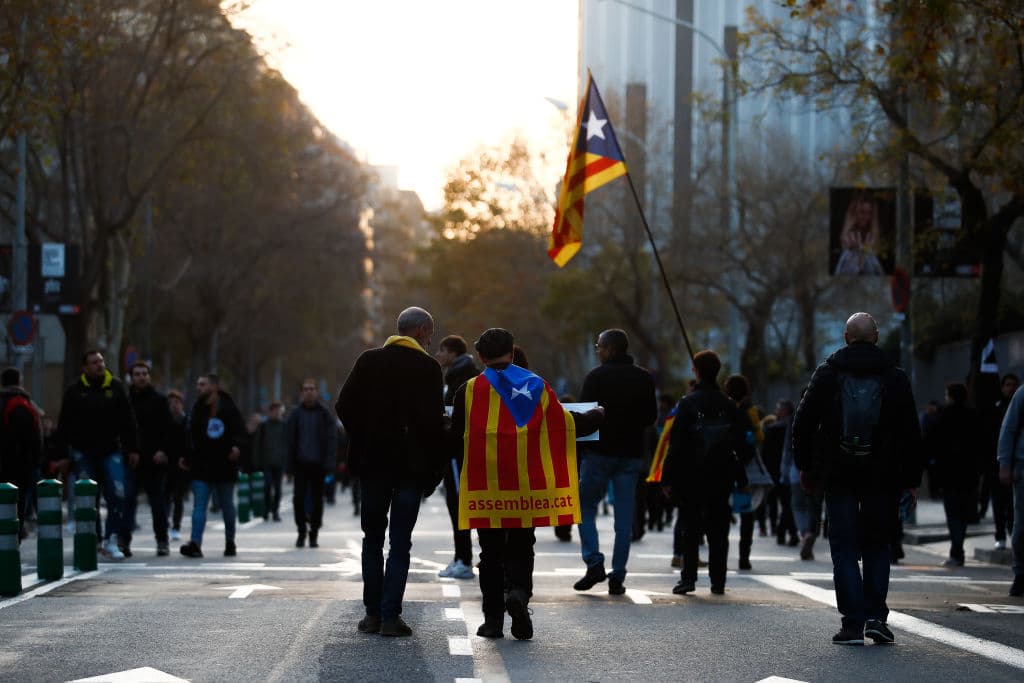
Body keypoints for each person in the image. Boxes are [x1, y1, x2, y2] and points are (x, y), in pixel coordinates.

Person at [449, 328, 603, 640]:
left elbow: (455, 439)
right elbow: (563, 425)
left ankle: (492, 620)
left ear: (480, 356)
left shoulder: (468, 390)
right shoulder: (537, 386)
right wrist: (597, 416)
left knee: (489, 552)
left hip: (486, 486)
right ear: (512, 351)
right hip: (526, 485)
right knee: (521, 545)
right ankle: (519, 595)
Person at [792, 312, 923, 645]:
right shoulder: (894, 376)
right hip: (883, 476)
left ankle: (852, 623)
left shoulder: (828, 373)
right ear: (876, 336)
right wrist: (911, 478)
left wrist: (806, 467)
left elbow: (803, 423)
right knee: (878, 545)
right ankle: (876, 617)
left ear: (846, 337)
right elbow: (910, 431)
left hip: (839, 474)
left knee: (844, 548)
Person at [336, 306, 446, 638]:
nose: (431, 339)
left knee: (372, 539)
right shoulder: (428, 368)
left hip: (373, 465)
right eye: (431, 332)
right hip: (410, 468)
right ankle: (390, 616)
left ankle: (370, 613)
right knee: (400, 542)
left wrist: (364, 435)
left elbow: (344, 405)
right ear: (423, 330)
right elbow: (432, 424)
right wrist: (433, 468)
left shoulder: (368, 361)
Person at [573, 329, 657, 596]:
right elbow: (650, 417)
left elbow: (584, 418)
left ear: (609, 349)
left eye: (599, 346)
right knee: (624, 520)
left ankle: (594, 562)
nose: (598, 351)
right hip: (630, 455)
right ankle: (618, 575)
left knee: (584, 506)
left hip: (598, 454)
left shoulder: (596, 377)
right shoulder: (644, 378)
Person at [663, 350, 751, 596]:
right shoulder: (728, 404)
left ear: (696, 371)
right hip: (722, 473)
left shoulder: (688, 403)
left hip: (691, 474)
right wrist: (741, 478)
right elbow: (739, 446)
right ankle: (718, 580)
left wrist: (667, 477)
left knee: (691, 528)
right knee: (719, 529)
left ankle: (688, 578)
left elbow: (676, 443)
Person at [54, 350, 140, 560]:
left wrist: (133, 449)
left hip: (111, 452)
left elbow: (128, 421)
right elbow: (64, 425)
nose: (99, 365)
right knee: (87, 498)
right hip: (83, 453)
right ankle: (92, 538)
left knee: (117, 494)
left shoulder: (116, 387)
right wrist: (62, 455)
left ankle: (111, 540)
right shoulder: (75, 391)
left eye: (101, 361)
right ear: (85, 367)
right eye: (94, 362)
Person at [179, 373, 246, 559]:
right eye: (198, 384)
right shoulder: (197, 409)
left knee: (227, 506)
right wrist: (186, 456)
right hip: (201, 466)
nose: (198, 388)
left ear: (214, 387)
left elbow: (241, 433)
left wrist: (237, 448)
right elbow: (190, 436)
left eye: (203, 384)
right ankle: (195, 543)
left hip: (225, 465)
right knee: (199, 506)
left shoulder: (229, 408)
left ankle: (230, 542)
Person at [436, 335, 479, 580]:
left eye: (441, 350)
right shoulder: (464, 373)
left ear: (451, 352)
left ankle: (464, 559)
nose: (439, 356)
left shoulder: (459, 377)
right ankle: (461, 556)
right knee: (459, 505)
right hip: (463, 450)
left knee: (459, 504)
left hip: (458, 451)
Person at [930, 382, 983, 567]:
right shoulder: (973, 415)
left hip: (949, 473)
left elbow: (933, 444)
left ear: (950, 395)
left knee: (953, 514)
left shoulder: (943, 415)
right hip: (969, 473)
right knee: (964, 514)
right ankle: (958, 549)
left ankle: (957, 551)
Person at [127, 361, 173, 557]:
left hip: (154, 460)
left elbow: (168, 429)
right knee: (128, 502)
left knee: (157, 503)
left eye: (145, 373)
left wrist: (163, 451)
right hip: (131, 459)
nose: (141, 377)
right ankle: (123, 540)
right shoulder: (125, 399)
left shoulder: (160, 400)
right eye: (137, 374)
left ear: (149, 376)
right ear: (132, 377)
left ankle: (162, 541)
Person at [288, 379, 338, 548]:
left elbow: (332, 440)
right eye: (306, 389)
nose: (309, 392)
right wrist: (288, 465)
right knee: (298, 499)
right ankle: (301, 531)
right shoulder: (295, 415)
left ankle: (314, 532)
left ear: (316, 392)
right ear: (302, 393)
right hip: (300, 464)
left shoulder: (325, 414)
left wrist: (330, 463)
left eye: (312, 389)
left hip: (319, 464)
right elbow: (288, 441)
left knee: (317, 500)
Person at [723, 374, 763, 571]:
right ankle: (744, 556)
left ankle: (720, 557)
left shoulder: (722, 409)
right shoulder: (751, 411)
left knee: (721, 511)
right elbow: (759, 436)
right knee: (748, 514)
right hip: (745, 466)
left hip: (724, 465)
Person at [0, 367, 42, 540]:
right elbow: (28, 436)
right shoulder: (22, 403)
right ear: (20, 381)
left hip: (6, 462)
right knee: (18, 501)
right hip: (18, 464)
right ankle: (14, 536)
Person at [997, 376, 1024, 596]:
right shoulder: (1022, 394)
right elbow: (1009, 430)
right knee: (1022, 524)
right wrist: (1005, 464)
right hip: (1023, 469)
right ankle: (1020, 572)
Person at [987, 374, 1018, 550]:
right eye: (1007, 385)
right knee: (998, 504)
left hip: (1016, 465)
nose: (1010, 388)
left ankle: (1012, 532)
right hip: (996, 466)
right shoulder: (995, 409)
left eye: (1013, 385)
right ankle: (1001, 534)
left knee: (1014, 504)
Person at [252, 401, 287, 522]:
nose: (277, 413)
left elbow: (287, 444)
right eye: (275, 410)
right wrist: (257, 462)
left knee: (278, 489)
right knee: (267, 487)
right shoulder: (263, 426)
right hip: (266, 462)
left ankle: (275, 511)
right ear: (270, 412)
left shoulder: (284, 425)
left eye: (279, 411)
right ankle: (266, 510)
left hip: (279, 462)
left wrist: (287, 462)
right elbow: (257, 445)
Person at [834, 193, 884, 276]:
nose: (865, 217)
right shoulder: (848, 238)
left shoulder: (872, 237)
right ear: (854, 213)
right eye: (861, 212)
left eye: (869, 213)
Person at [166, 390, 189, 541]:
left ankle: (176, 526)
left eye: (177, 402)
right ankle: (165, 522)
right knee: (165, 496)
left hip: (182, 465)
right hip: (166, 464)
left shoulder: (187, 420)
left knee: (178, 498)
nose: (174, 405)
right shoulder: (164, 421)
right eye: (171, 403)